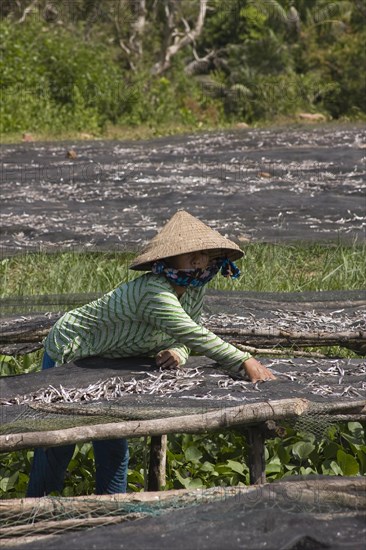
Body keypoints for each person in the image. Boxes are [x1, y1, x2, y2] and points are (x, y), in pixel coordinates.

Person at [26, 210, 275, 497]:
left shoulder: (193, 289)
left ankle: (112, 513)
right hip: (72, 350)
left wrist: (178, 353)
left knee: (114, 443)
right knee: (57, 444)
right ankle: (36, 509)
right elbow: (192, 333)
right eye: (190, 254)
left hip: (112, 362)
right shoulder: (153, 291)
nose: (198, 260)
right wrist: (244, 359)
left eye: (204, 253)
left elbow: (185, 335)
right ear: (168, 259)